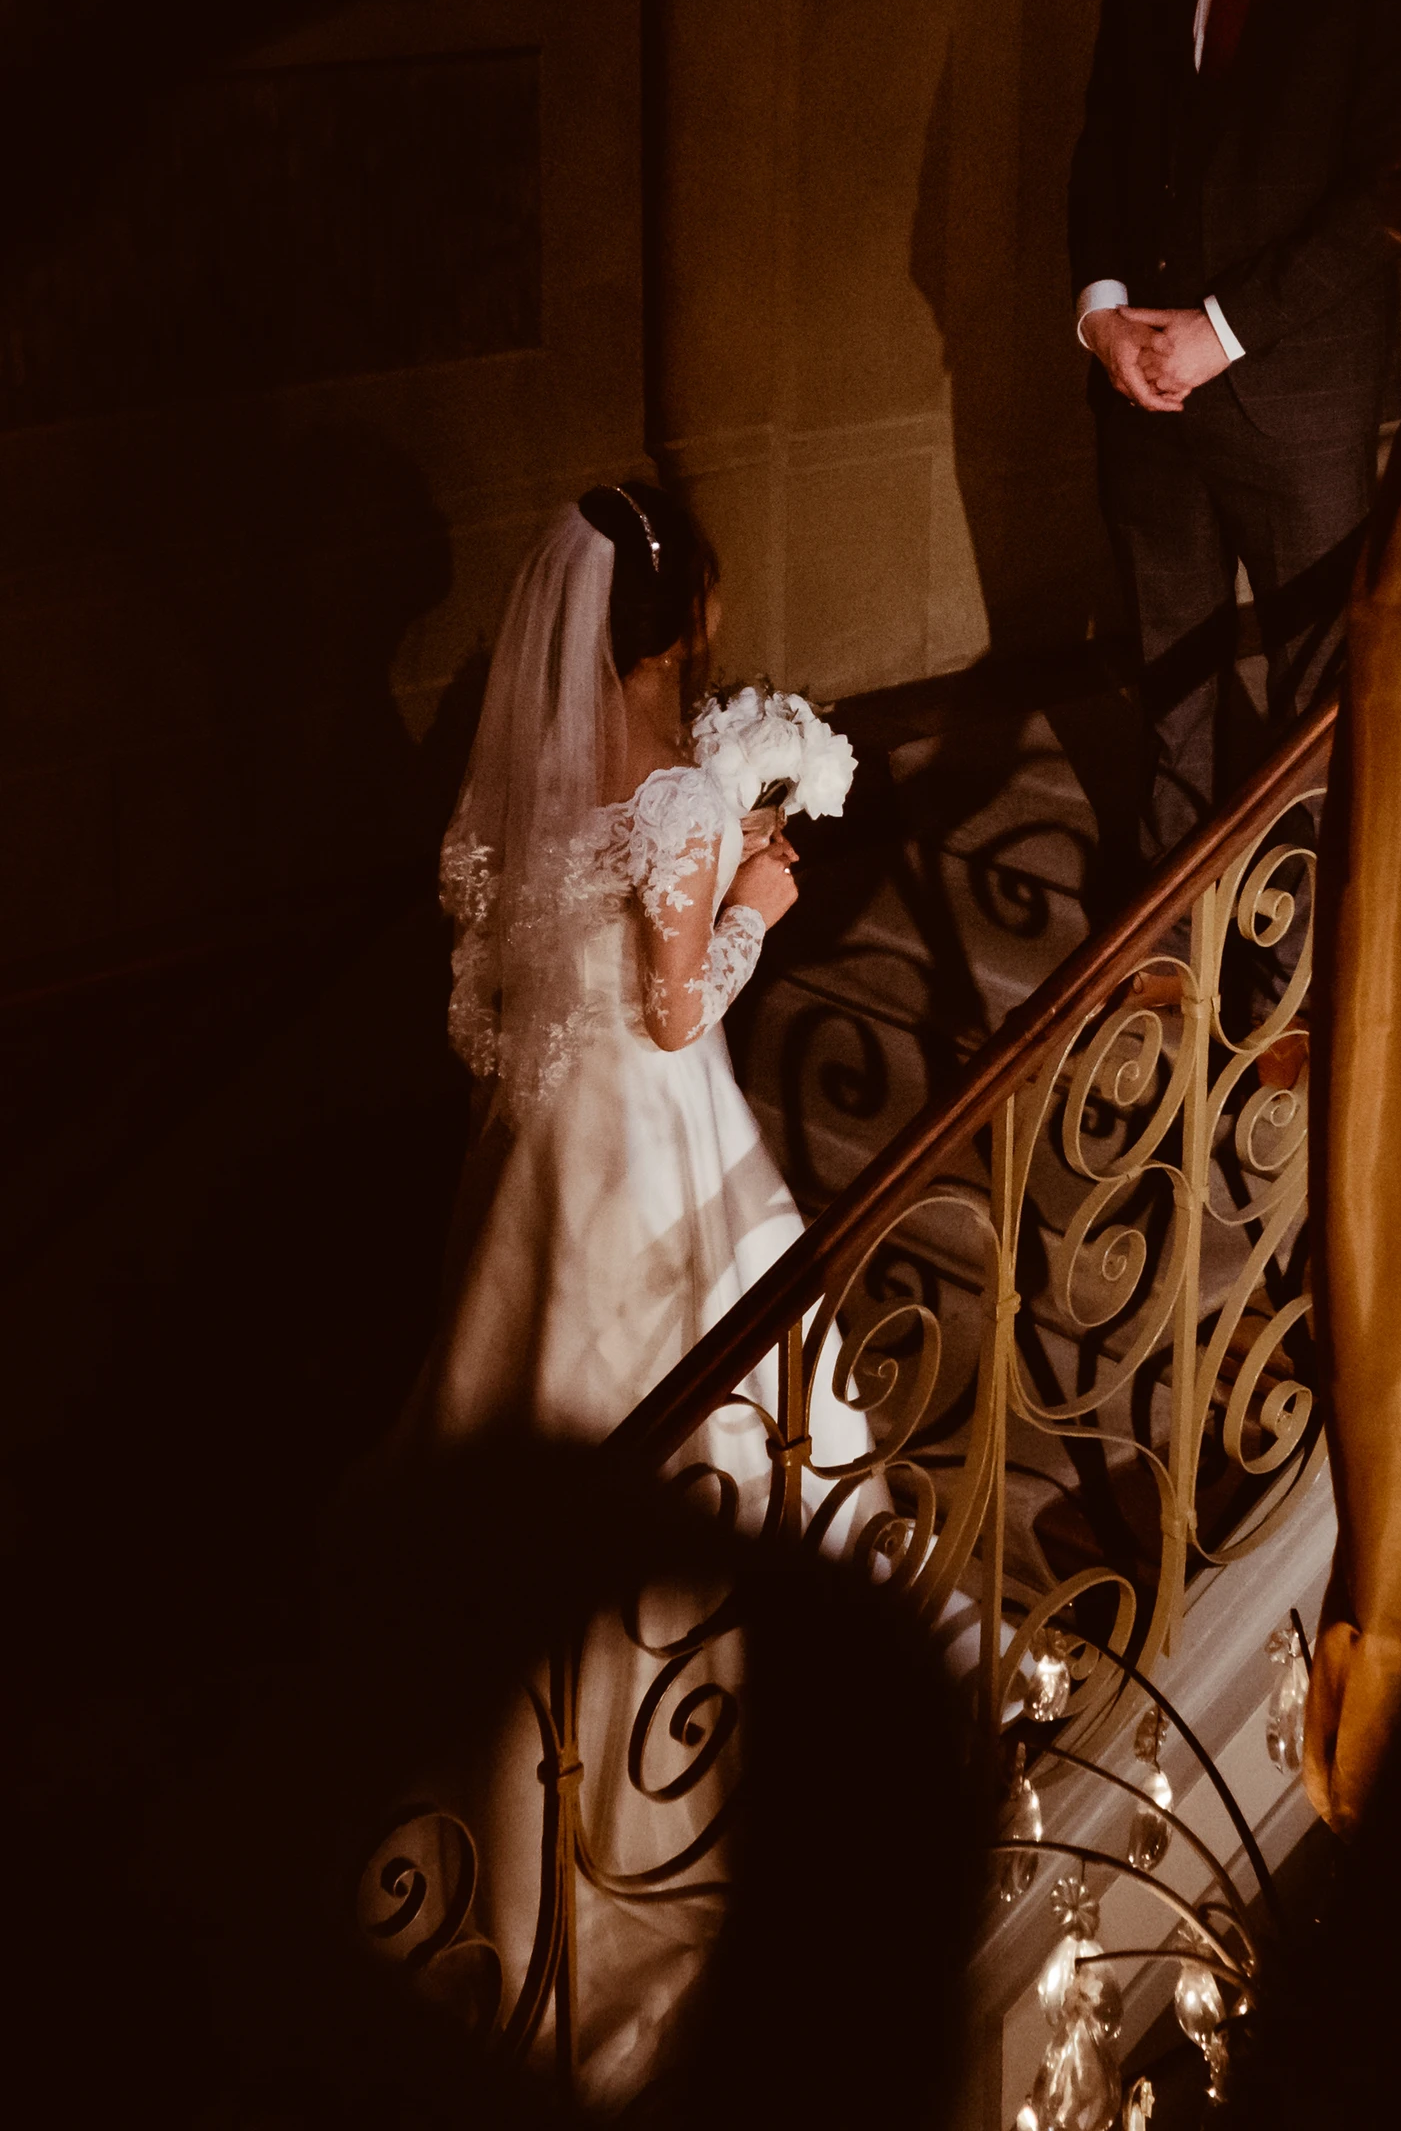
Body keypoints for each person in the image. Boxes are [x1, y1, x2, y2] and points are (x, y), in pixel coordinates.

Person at [385, 481, 873, 2106]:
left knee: (536, 1388)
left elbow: (501, 974)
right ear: (683, 627)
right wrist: (749, 904)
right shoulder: (668, 791)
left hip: (543, 1145)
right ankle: (688, 1794)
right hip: (655, 1133)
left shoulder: (522, 777)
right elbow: (675, 1017)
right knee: (700, 1409)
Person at [1069, 0, 1401, 862]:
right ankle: (1162, 958)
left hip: (1295, 399)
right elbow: (1107, 136)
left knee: (1316, 705)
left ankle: (1297, 964)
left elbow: (1386, 192)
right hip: (1145, 389)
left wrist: (1222, 331)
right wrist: (1107, 312)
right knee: (1171, 691)